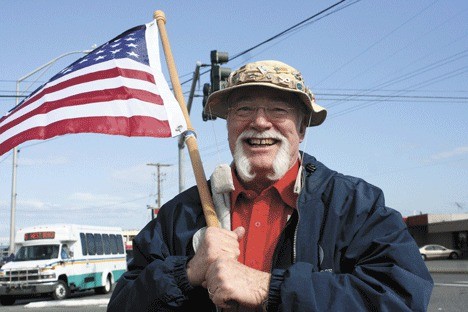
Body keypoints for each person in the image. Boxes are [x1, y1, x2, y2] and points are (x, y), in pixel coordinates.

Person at [108, 60, 433, 311]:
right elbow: (122, 304)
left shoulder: (353, 204)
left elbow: (401, 295)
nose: (260, 121)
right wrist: (187, 272)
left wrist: (269, 288)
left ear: (302, 128)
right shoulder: (179, 213)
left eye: (278, 110)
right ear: (229, 126)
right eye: (244, 109)